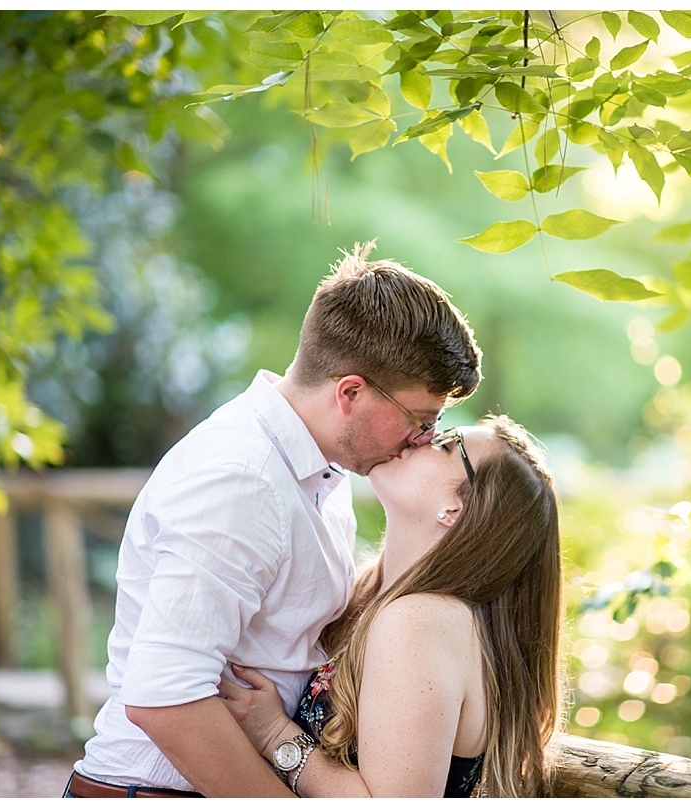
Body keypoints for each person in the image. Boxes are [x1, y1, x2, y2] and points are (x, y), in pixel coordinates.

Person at [64, 241, 482, 798]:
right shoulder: (242, 477)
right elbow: (164, 697)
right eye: (421, 417)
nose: (424, 439)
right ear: (351, 393)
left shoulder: (321, 472)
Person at [217, 415, 565, 798]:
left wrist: (275, 734)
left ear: (454, 510)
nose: (421, 436)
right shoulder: (393, 602)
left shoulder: (419, 621)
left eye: (447, 443)